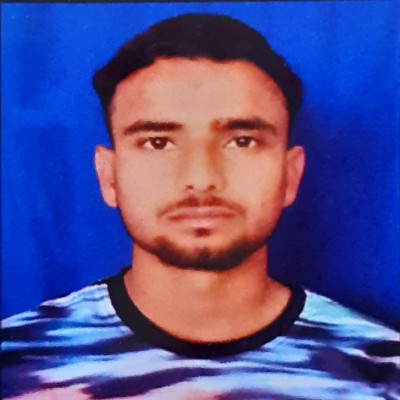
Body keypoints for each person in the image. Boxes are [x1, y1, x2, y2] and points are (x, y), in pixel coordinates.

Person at [1, 13, 399, 400]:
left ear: (290, 176)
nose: (201, 177)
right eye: (158, 142)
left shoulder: (382, 372)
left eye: (242, 141)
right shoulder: (15, 367)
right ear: (108, 176)